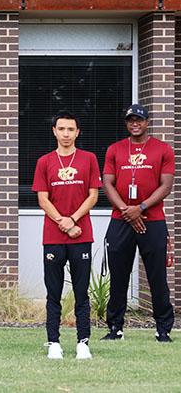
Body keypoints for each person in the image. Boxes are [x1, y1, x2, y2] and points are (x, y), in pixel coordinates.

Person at [101, 104, 175, 342]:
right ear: (126, 123)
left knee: (156, 276)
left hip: (152, 220)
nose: (135, 124)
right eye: (131, 120)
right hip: (120, 219)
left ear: (147, 122)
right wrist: (126, 211)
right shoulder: (115, 149)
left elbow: (166, 185)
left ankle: (163, 329)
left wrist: (140, 208)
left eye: (139, 120)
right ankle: (115, 328)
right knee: (118, 275)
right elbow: (108, 183)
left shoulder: (163, 149)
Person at [32, 111, 101, 360]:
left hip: (81, 236)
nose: (66, 134)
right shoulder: (44, 161)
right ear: (54, 131)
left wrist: (72, 219)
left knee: (81, 291)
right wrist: (63, 221)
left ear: (77, 132)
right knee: (54, 292)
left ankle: (83, 342)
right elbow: (42, 197)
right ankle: (53, 342)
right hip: (53, 237)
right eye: (61, 129)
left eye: (71, 129)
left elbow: (93, 195)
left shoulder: (89, 159)